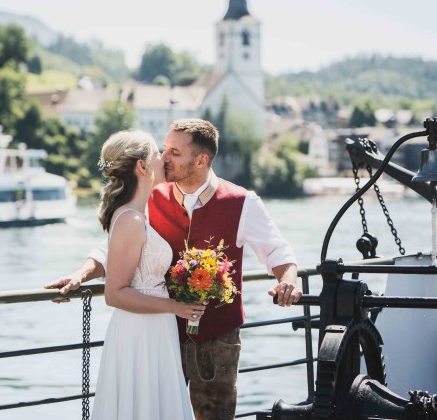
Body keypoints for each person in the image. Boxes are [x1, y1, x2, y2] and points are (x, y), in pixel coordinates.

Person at [46, 118, 302, 420]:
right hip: (160, 335)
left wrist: (288, 281)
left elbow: (277, 251)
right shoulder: (151, 196)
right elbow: (112, 249)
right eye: (164, 149)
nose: (165, 157)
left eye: (174, 152)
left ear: (201, 160)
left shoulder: (242, 202)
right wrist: (81, 274)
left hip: (217, 339)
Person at [84, 129, 204, 420]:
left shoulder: (140, 213)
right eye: (156, 153)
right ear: (142, 166)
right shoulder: (130, 218)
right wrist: (176, 307)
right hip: (139, 334)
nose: (164, 158)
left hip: (155, 330)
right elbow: (115, 293)